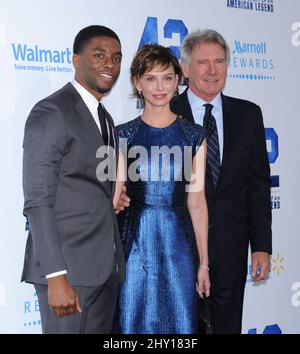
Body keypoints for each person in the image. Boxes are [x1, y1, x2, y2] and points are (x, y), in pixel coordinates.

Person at [21, 25, 125, 334]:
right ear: (76, 60)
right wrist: (55, 275)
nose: (110, 64)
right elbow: (38, 198)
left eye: (116, 58)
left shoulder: (104, 117)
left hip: (105, 270)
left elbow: (91, 187)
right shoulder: (53, 110)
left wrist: (113, 198)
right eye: (99, 55)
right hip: (68, 272)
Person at [170, 29, 272, 334]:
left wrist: (262, 246)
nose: (212, 70)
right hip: (179, 251)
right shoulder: (166, 113)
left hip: (231, 249)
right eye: (203, 62)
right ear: (185, 69)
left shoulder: (248, 114)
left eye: (219, 61)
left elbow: (258, 186)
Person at [113, 44, 210, 334]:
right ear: (136, 83)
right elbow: (113, 196)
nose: (159, 86)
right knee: (132, 322)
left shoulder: (195, 136)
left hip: (178, 245)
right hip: (133, 245)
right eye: (151, 78)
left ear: (178, 81)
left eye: (167, 78)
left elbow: (197, 202)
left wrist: (204, 264)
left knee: (181, 324)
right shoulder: (121, 135)